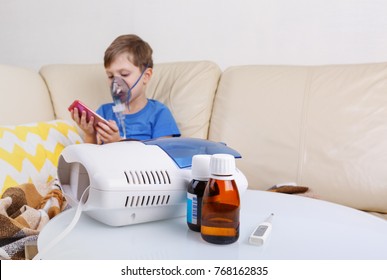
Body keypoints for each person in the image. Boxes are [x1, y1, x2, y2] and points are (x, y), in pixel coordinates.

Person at [70, 34, 181, 144]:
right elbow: (90, 157)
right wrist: (90, 135)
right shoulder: (103, 113)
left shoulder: (159, 113)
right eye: (110, 76)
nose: (116, 83)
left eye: (124, 74)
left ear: (146, 76)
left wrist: (118, 142)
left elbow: (163, 156)